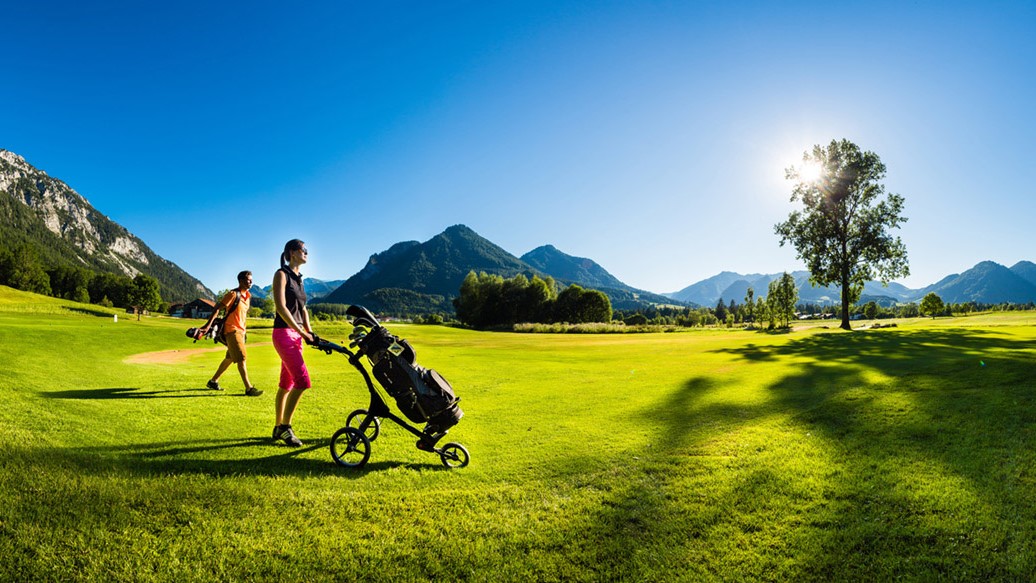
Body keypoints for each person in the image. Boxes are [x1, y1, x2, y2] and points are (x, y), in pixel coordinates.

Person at [271, 239, 316, 447]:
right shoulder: (282, 274)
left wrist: (309, 332)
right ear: (292, 252)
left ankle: (277, 425)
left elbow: (303, 309)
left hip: (296, 335)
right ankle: (285, 428)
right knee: (303, 381)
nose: (306, 252)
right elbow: (281, 307)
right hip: (283, 333)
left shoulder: (300, 279)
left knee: (286, 384)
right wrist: (301, 332)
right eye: (303, 250)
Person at [200, 271, 263, 397]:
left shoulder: (248, 297)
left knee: (229, 358)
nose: (250, 282)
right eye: (248, 280)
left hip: (241, 332)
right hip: (231, 330)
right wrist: (208, 325)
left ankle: (213, 381)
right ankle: (249, 388)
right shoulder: (233, 294)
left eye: (251, 280)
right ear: (240, 281)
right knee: (242, 358)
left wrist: (244, 332)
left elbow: (242, 316)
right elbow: (217, 307)